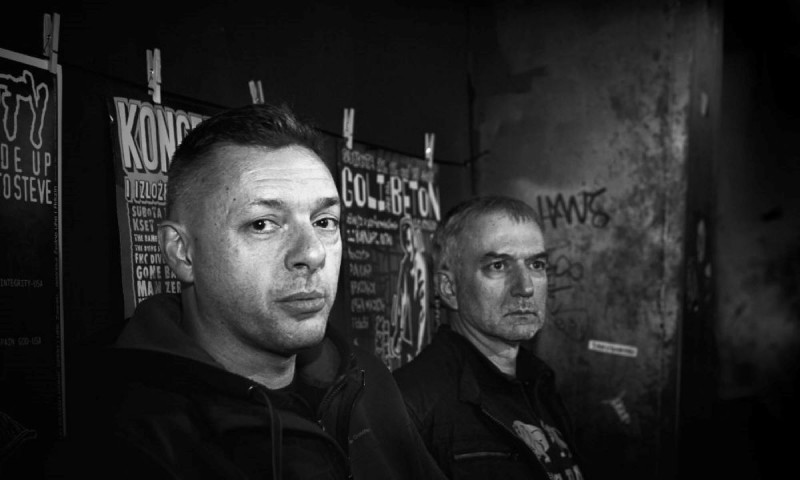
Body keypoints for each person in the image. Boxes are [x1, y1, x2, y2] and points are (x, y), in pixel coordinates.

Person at [65, 103, 447, 480]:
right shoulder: (127, 442)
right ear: (182, 252)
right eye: (262, 224)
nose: (312, 253)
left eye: (324, 221)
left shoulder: (365, 380)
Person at [393, 195, 586, 480]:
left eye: (536, 265)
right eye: (498, 266)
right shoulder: (412, 404)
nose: (526, 287)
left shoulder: (539, 382)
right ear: (449, 288)